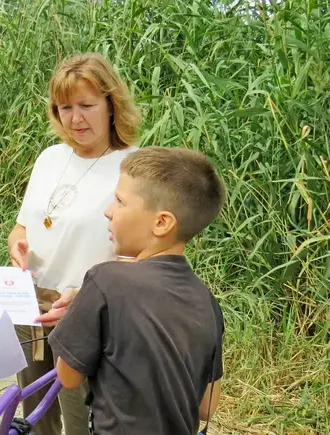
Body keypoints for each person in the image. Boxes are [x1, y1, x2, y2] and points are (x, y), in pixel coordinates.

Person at [41, 146, 226, 434]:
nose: (108, 211)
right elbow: (207, 407)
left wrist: (81, 315)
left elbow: (68, 376)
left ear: (161, 222)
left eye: (119, 201)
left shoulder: (106, 281)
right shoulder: (208, 302)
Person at [7, 52, 142, 434]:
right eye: (65, 107)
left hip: (86, 311)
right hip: (31, 307)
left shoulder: (134, 167)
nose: (75, 118)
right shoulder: (49, 158)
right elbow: (21, 228)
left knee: (81, 416)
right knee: (33, 411)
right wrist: (17, 245)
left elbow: (143, 257)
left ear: (112, 104)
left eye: (86, 105)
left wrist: (88, 295)